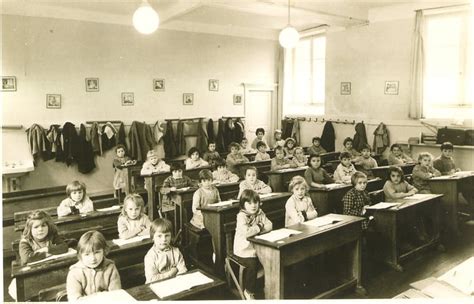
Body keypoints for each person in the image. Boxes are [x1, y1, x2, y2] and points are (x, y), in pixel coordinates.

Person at [233, 189, 272, 300]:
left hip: (258, 247)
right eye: (249, 203)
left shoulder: (260, 212)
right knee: (253, 264)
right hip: (244, 250)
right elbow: (247, 233)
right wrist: (259, 227)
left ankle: (267, 286)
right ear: (243, 204)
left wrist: (258, 229)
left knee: (270, 259)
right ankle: (249, 291)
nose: (253, 205)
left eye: (255, 202)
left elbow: (270, 225)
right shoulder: (241, 216)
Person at [67, 231, 121, 300]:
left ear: (104, 251)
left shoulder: (110, 267)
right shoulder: (74, 273)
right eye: (87, 254)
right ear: (80, 255)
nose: (93, 259)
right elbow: (75, 300)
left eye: (97, 252)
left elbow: (116, 295)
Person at [144, 218, 187, 283]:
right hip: (156, 286)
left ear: (171, 236)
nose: (164, 239)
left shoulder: (176, 252)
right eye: (159, 236)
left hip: (175, 284)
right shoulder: (150, 256)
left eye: (167, 235)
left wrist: (178, 281)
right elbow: (152, 279)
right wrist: (171, 273)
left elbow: (183, 270)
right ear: (153, 237)